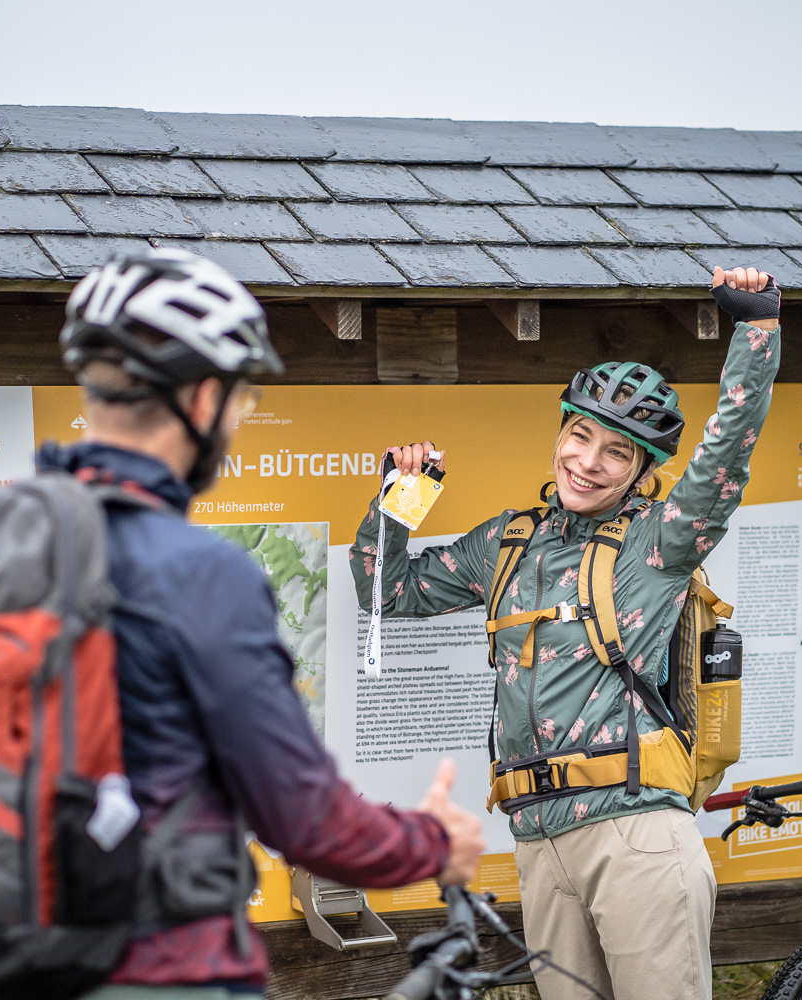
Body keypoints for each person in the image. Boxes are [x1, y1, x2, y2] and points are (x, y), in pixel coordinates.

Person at [42, 248, 485, 996]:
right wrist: (433, 842)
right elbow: (305, 820)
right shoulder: (198, 572)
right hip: (162, 968)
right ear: (206, 398)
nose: (240, 417)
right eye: (243, 397)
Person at [347, 267, 782, 1000]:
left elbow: (724, 457)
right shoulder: (507, 543)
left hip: (636, 834)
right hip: (538, 841)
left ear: (642, 469)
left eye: (616, 451)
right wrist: (403, 494)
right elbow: (387, 595)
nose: (587, 461)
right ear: (561, 432)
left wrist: (757, 330)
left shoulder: (661, 542)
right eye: (580, 435)